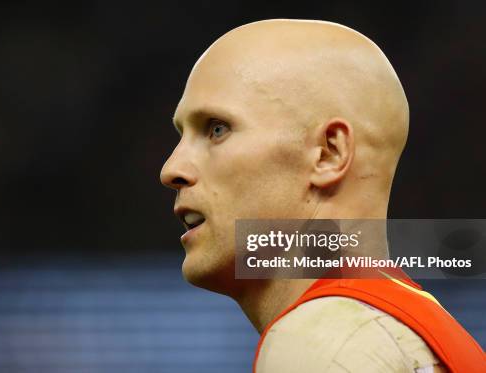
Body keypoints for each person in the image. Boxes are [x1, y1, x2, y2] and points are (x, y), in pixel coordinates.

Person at [160, 19, 485, 372]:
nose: (171, 169)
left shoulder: (322, 342)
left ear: (328, 153)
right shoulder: (422, 331)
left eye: (217, 129)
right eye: (181, 135)